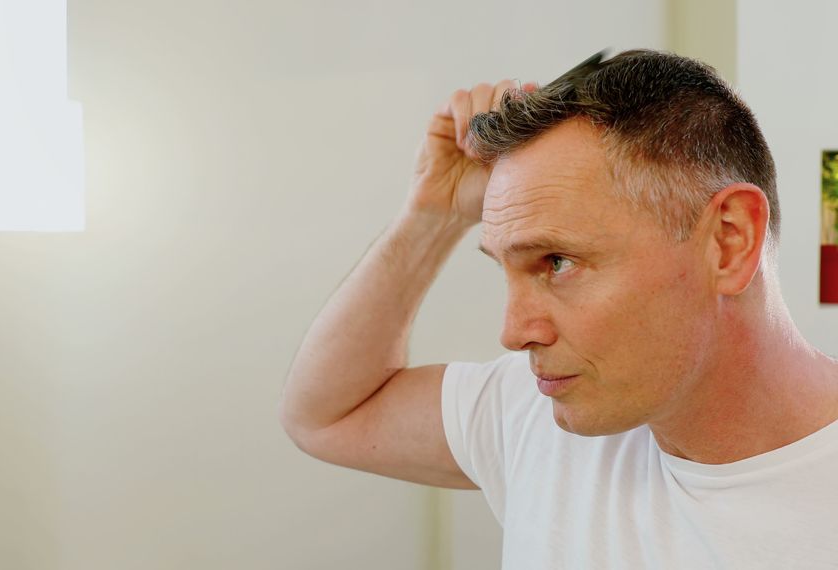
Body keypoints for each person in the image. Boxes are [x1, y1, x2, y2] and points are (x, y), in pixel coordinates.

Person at [279, 49, 838, 568]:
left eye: (557, 262)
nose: (514, 332)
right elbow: (326, 416)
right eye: (505, 268)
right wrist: (433, 214)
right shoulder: (541, 414)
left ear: (728, 240)